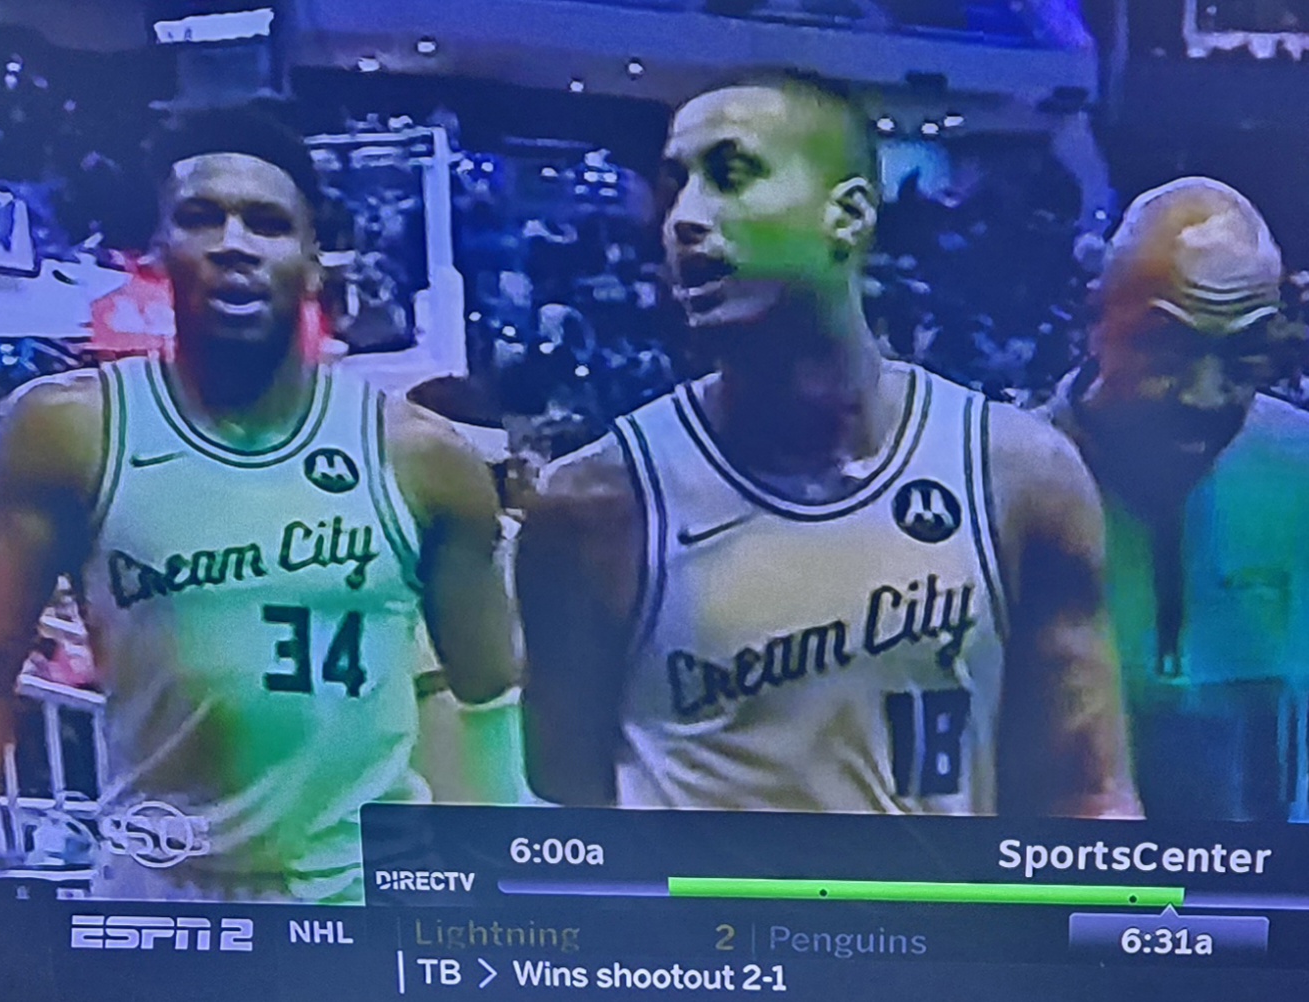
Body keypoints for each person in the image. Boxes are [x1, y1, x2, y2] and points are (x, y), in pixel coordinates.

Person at [518, 74, 1139, 818]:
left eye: (730, 175)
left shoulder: (1020, 475)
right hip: (701, 902)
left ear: (848, 216)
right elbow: (574, 798)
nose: (683, 218)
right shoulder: (594, 504)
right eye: (675, 186)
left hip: (936, 900)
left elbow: (1088, 794)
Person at [0, 107, 518, 902]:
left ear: (313, 261)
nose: (234, 244)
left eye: (268, 223)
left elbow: (489, 697)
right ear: (158, 251)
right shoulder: (68, 431)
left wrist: (509, 898)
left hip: (361, 896)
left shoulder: (423, 457)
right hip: (159, 891)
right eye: (201, 217)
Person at [1043, 178, 1309, 821]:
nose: (1204, 395)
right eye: (1169, 347)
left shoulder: (1298, 467)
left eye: (1244, 355)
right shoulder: (1014, 481)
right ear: (1096, 318)